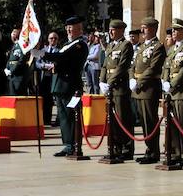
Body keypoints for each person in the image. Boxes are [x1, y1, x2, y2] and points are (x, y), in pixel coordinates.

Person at [48, 17, 90, 158]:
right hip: (60, 85)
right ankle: (67, 144)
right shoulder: (67, 44)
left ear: (79, 28)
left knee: (71, 117)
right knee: (63, 117)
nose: (69, 30)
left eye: (71, 28)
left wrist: (43, 54)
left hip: (70, 85)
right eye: (67, 28)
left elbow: (63, 57)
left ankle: (73, 144)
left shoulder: (79, 45)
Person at [160, 18, 183, 169]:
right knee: (173, 126)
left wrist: (172, 84)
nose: (173, 32)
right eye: (173, 30)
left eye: (177, 30)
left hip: (181, 91)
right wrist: (164, 82)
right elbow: (166, 68)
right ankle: (175, 153)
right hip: (170, 92)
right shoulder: (172, 49)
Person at [98, 20, 135, 163]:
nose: (111, 32)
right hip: (110, 88)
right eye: (110, 30)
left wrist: (110, 82)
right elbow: (104, 65)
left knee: (122, 119)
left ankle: (126, 149)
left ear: (121, 30)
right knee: (112, 120)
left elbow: (122, 66)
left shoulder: (126, 45)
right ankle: (114, 147)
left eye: (113, 30)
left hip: (119, 87)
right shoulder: (111, 46)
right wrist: (101, 81)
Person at [131, 18, 166, 164]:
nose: (142, 31)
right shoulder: (141, 47)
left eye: (145, 28)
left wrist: (138, 83)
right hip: (138, 88)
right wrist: (131, 78)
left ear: (153, 29)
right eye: (142, 27)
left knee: (150, 121)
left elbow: (153, 68)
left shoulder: (158, 46)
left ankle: (153, 152)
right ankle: (148, 150)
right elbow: (133, 65)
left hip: (148, 88)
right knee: (143, 122)